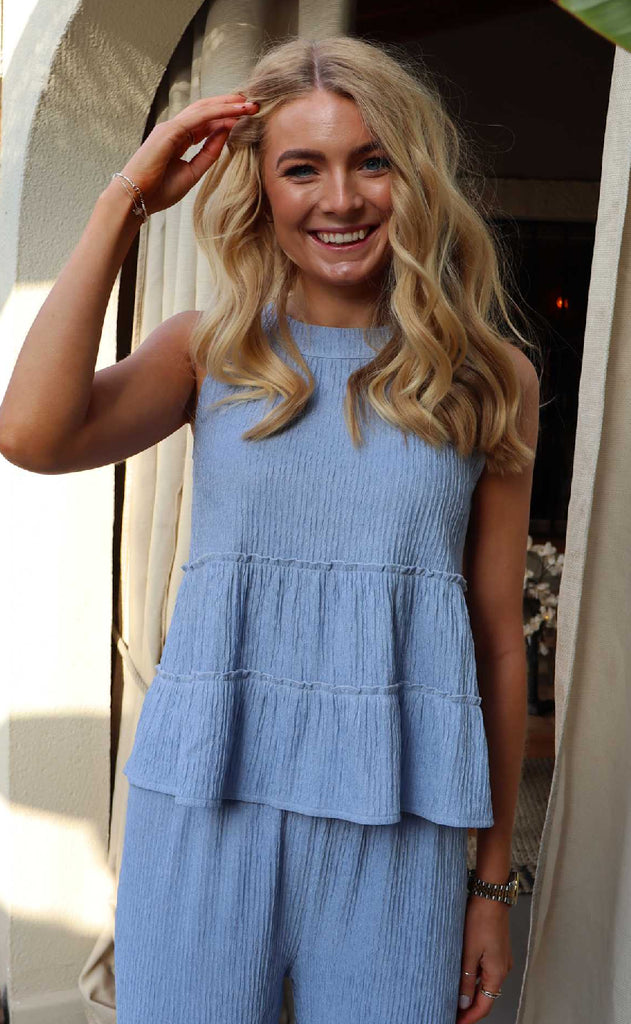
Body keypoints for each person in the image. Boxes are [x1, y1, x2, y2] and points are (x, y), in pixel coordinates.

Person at [0, 34, 540, 1024]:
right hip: (202, 809)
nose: (340, 199)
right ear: (261, 187)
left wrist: (490, 886)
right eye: (302, 168)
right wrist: (126, 200)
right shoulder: (209, 351)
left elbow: (498, 640)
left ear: (414, 178)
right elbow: (30, 434)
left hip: (401, 823)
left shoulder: (486, 376)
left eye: (371, 161)